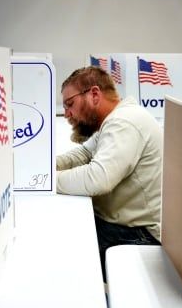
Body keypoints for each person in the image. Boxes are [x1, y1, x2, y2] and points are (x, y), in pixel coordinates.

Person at [57, 66, 162, 279]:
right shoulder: (115, 119)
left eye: (70, 104)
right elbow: (82, 155)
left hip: (137, 234)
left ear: (94, 94)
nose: (67, 113)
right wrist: (39, 168)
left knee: (61, 252)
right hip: (122, 225)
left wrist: (46, 180)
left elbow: (98, 179)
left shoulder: (124, 123)